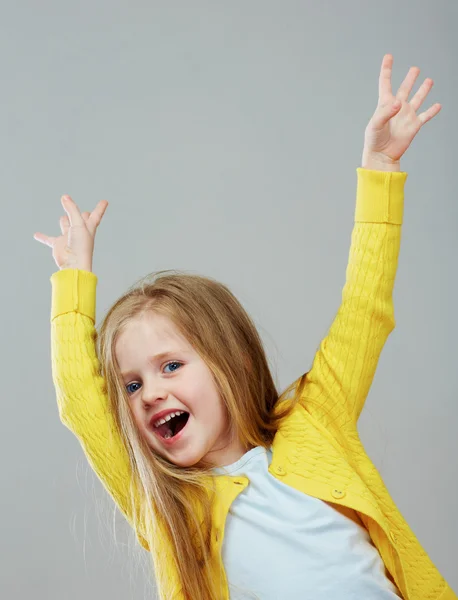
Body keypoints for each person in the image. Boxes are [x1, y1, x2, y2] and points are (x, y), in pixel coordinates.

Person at [34, 54, 455, 600]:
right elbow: (80, 405)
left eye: (170, 366)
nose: (149, 393)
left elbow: (365, 307)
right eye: (132, 384)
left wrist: (380, 169)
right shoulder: (166, 504)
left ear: (227, 361)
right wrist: (73, 282)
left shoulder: (316, 419)